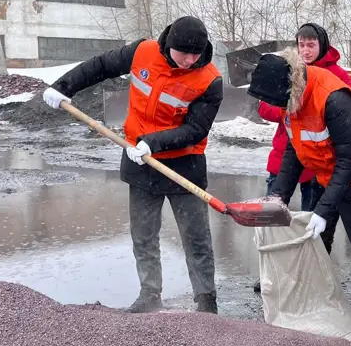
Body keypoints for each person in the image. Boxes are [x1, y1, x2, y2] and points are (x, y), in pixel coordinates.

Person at [42, 16, 223, 314]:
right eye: (184, 54)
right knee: (144, 235)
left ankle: (206, 300)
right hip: (137, 160)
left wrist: (154, 142)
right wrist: (64, 87)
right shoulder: (143, 52)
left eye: (196, 54)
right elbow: (101, 66)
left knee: (196, 239)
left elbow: (196, 129)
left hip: (183, 165)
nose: (190, 60)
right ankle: (150, 294)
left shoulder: (209, 80)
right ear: (169, 45)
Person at [247, 48, 351, 346]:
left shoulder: (332, 97)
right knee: (316, 241)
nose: (276, 108)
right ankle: (312, 295)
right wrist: (279, 195)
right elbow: (294, 150)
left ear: (289, 87)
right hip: (329, 174)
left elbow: (349, 159)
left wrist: (324, 209)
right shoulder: (292, 98)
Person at [252, 22, 351, 293]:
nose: (305, 50)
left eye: (311, 45)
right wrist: (290, 109)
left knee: (314, 223)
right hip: (285, 153)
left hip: (320, 161)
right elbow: (264, 106)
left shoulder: (337, 76)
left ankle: (308, 274)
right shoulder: (286, 68)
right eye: (301, 44)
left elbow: (346, 113)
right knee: (273, 218)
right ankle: (270, 273)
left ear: (322, 45)